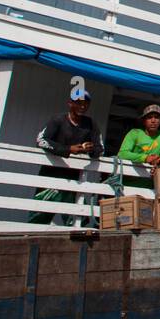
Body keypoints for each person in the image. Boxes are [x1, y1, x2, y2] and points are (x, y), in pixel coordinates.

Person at [31, 89, 103, 224]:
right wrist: (68, 149)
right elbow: (41, 141)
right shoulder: (58, 120)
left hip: (74, 179)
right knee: (39, 217)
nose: (82, 106)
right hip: (50, 176)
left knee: (77, 221)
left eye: (86, 103)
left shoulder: (91, 124)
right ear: (70, 103)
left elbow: (100, 148)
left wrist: (89, 148)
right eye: (79, 103)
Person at [117, 104, 160, 188]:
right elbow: (122, 154)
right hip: (126, 185)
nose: (153, 120)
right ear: (144, 121)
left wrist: (159, 160)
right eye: (149, 117)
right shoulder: (134, 133)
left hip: (149, 187)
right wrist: (145, 158)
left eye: (156, 117)